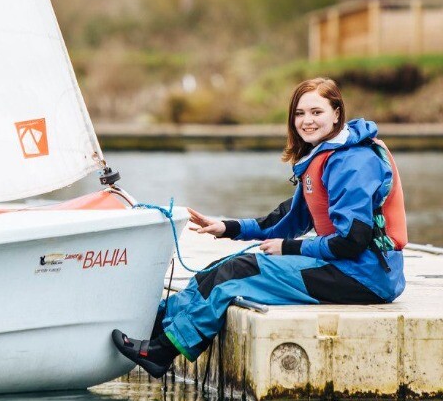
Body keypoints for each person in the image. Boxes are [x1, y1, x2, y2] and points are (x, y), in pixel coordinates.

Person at [112, 77, 408, 377]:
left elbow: (352, 241)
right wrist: (226, 227)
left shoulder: (355, 162)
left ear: (336, 113)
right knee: (219, 267)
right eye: (299, 113)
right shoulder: (324, 155)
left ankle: (161, 353)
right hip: (346, 267)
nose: (306, 121)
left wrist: (288, 248)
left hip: (366, 276)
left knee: (239, 273)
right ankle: (154, 327)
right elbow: (286, 220)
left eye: (316, 112)